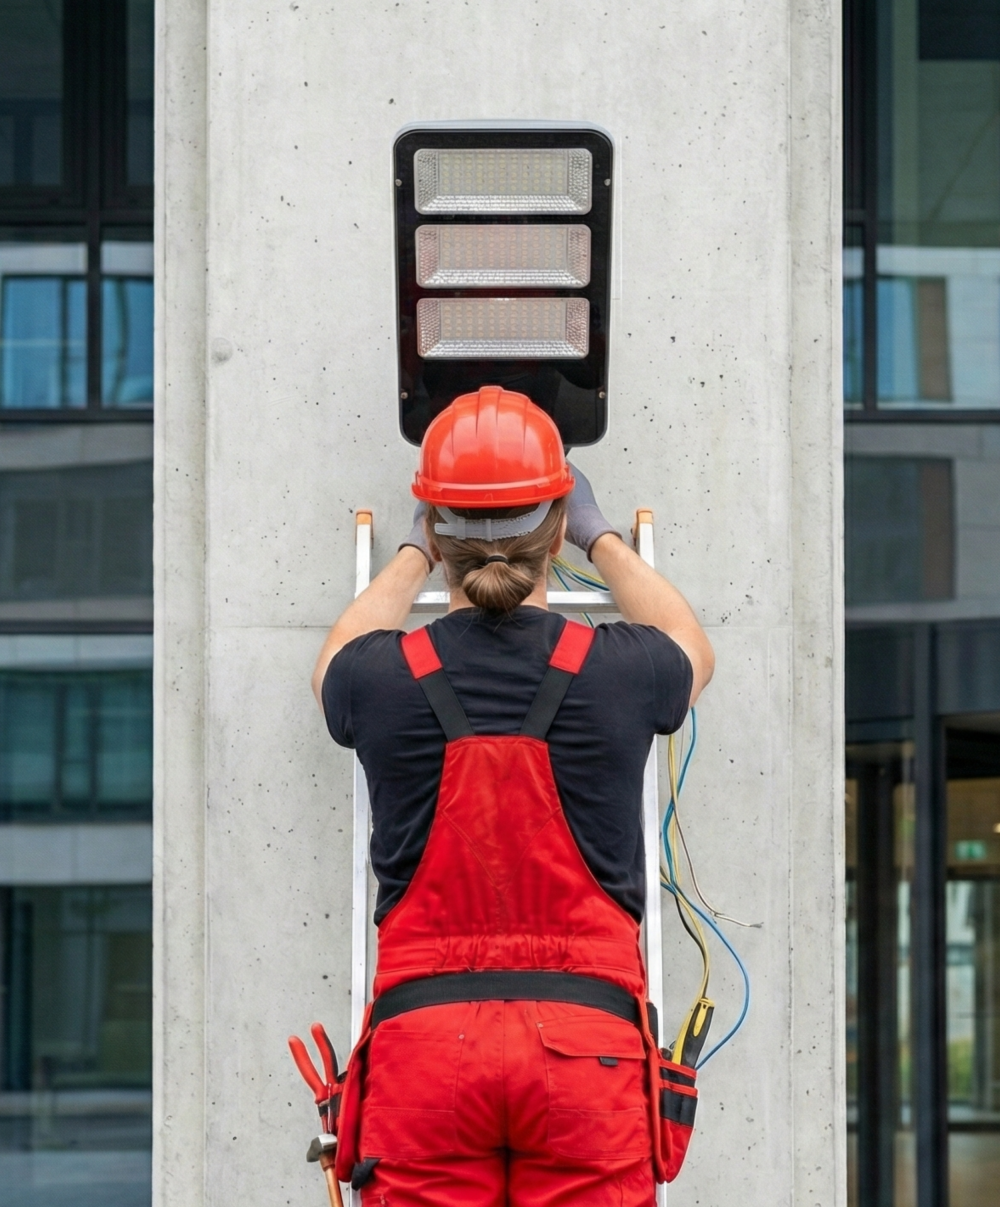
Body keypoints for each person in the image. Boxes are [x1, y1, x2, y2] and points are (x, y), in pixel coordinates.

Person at [312, 385, 714, 1207]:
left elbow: (332, 663)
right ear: (556, 530)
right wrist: (602, 537)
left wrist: (411, 553)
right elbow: (691, 646)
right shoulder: (620, 672)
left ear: (438, 532)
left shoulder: (380, 681)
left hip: (425, 1054)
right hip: (589, 1052)